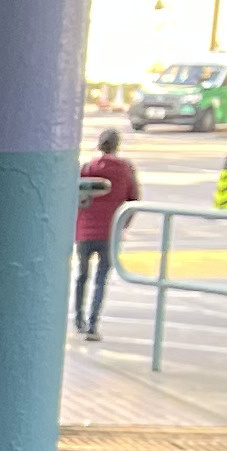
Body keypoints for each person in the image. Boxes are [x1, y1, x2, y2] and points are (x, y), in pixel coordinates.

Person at [75, 123, 139, 341]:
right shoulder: (126, 170)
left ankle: (78, 319)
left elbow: (76, 197)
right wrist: (124, 224)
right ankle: (93, 324)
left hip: (84, 231)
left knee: (82, 276)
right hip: (110, 232)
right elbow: (133, 199)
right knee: (101, 278)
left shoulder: (88, 168)